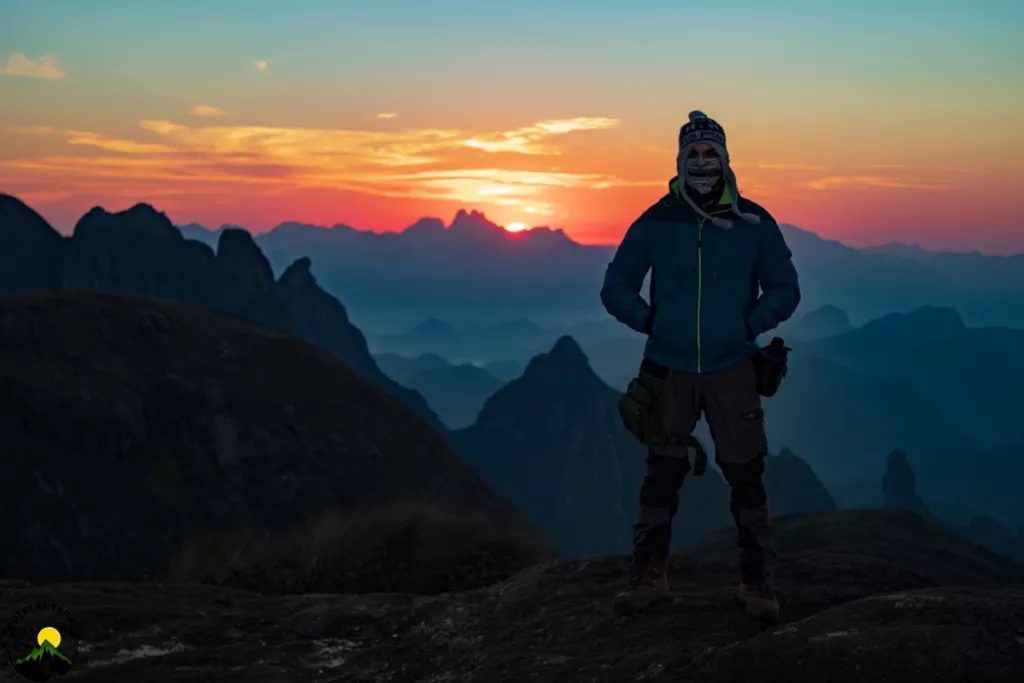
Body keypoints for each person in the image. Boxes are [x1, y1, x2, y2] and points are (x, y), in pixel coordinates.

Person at [600, 111, 800, 620]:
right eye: (694, 154)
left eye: (711, 153)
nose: (703, 162)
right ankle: (649, 579)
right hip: (667, 367)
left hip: (733, 365)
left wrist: (749, 326)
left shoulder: (754, 223)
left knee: (746, 476)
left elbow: (785, 287)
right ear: (680, 160)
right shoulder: (655, 221)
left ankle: (758, 585)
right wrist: (653, 323)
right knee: (661, 475)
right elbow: (615, 286)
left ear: (726, 160)